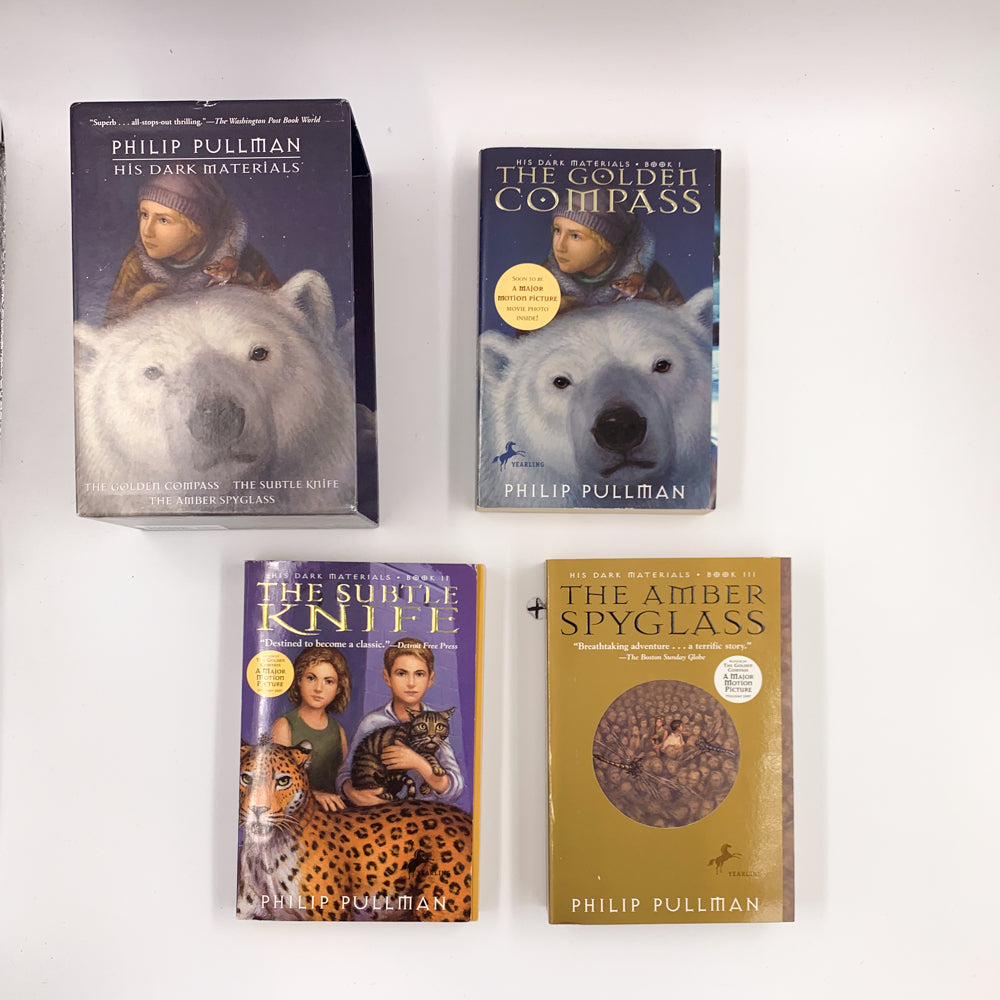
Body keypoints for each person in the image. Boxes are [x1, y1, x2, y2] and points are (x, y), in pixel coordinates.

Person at [103, 171, 280, 325]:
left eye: (163, 220)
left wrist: (247, 293)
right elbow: (111, 331)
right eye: (144, 215)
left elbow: (282, 317)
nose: (147, 231)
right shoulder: (137, 264)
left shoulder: (243, 258)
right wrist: (137, 305)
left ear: (196, 228)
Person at [338, 638, 464, 807]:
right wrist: (353, 793)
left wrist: (419, 764)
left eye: (419, 674)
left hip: (423, 813)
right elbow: (345, 773)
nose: (411, 683)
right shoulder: (372, 722)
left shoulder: (436, 724)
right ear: (387, 677)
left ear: (430, 679)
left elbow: (454, 788)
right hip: (379, 809)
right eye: (401, 673)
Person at [544, 191, 684, 314]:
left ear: (607, 243)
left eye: (575, 236)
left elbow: (684, 325)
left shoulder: (653, 278)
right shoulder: (545, 277)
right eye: (557, 230)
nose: (559, 246)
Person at [271, 645, 351, 813]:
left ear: (338, 689)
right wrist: (315, 796)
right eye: (311, 678)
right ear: (299, 680)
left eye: (328, 681)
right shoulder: (284, 726)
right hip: (295, 815)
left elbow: (344, 779)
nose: (318, 688)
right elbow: (277, 783)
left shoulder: (338, 731)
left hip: (332, 815)